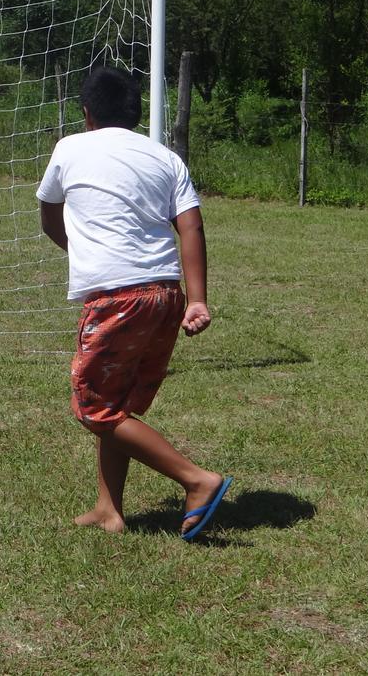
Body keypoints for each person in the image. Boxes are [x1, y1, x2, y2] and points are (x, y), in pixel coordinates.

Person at [36, 64, 231, 540]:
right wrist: (198, 300)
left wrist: (85, 253)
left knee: (93, 408)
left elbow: (49, 214)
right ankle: (109, 509)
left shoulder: (69, 148)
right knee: (118, 401)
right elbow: (190, 225)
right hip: (165, 295)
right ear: (137, 113)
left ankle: (196, 480)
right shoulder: (165, 157)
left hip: (116, 298)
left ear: (86, 114)